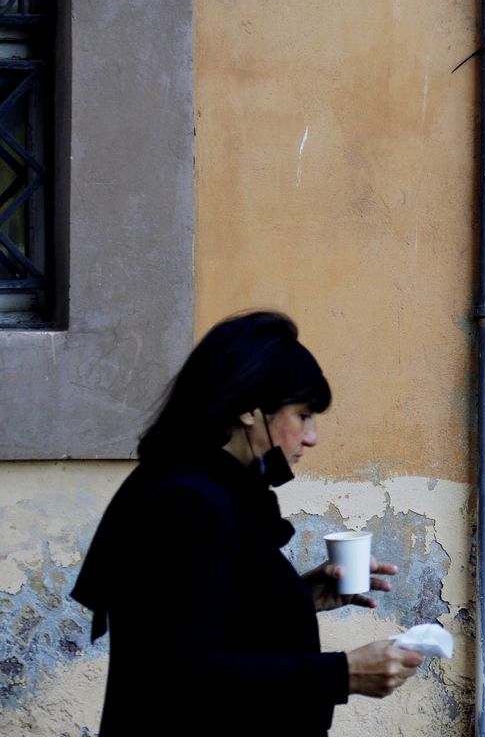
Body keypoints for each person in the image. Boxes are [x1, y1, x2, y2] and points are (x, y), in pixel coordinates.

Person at [70, 311, 424, 736]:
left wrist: (292, 598)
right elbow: (182, 675)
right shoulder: (186, 500)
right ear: (247, 410)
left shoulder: (202, 483)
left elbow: (203, 616)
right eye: (303, 415)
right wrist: (343, 674)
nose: (311, 437)